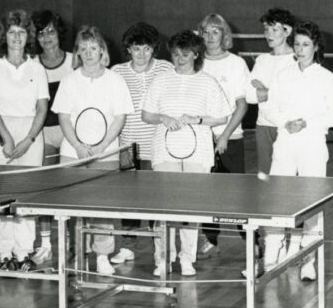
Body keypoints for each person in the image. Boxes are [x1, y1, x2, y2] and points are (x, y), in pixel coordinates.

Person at [142, 30, 231, 277]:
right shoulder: (160, 81)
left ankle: (187, 259)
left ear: (195, 54)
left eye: (185, 54)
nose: (180, 58)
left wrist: (197, 119)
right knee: (163, 208)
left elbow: (222, 116)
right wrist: (163, 117)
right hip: (164, 152)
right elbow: (146, 115)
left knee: (190, 209)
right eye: (176, 54)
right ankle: (162, 259)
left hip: (198, 153)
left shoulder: (208, 82)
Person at [261, 21, 333, 281]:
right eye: (297, 44)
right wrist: (285, 121)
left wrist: (307, 122)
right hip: (285, 144)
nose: (300, 49)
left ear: (316, 47)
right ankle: (271, 258)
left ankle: (308, 260)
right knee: (278, 200)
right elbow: (270, 108)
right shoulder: (283, 75)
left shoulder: (326, 78)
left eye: (306, 44)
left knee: (311, 203)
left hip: (312, 146)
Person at [52, 26, 133, 276]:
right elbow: (64, 118)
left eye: (93, 48)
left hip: (105, 152)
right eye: (83, 48)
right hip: (72, 152)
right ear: (77, 52)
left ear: (102, 51)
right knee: (70, 207)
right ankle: (74, 253)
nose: (88, 53)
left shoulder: (115, 79)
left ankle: (101, 255)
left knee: (102, 207)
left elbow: (119, 118)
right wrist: (77, 145)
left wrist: (100, 148)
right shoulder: (69, 80)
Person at [0, 9, 48, 271]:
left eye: (22, 32)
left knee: (26, 196)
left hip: (31, 135)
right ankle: (4, 251)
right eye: (12, 32)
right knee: (2, 198)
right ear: (4, 36)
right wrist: (6, 140)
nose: (17, 37)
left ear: (28, 36)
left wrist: (28, 140)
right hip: (0, 134)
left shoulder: (37, 68)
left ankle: (23, 253)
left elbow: (42, 109)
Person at [110, 22, 173, 264]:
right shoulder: (117, 72)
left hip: (157, 146)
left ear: (154, 49)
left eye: (147, 49)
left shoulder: (165, 68)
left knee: (157, 199)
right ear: (129, 49)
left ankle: (160, 248)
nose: (142, 54)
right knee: (130, 199)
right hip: (127, 146)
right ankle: (127, 246)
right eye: (137, 49)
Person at [243, 8, 298, 270]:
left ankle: (294, 247)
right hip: (264, 128)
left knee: (290, 187)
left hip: (288, 131)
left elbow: (289, 98)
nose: (268, 34)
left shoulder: (297, 59)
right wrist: (266, 92)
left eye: (274, 28)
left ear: (287, 31)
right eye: (266, 29)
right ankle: (270, 250)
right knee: (267, 187)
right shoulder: (262, 60)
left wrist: (267, 91)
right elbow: (252, 96)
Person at [196, 14, 250, 260]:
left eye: (215, 32)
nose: (210, 37)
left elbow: (242, 106)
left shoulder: (236, 63)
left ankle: (253, 244)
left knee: (238, 197)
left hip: (231, 138)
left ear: (224, 35)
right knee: (207, 195)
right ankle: (210, 240)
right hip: (200, 140)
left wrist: (225, 136)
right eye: (205, 32)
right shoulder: (196, 62)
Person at [31, 9, 74, 264]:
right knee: (44, 191)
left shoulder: (73, 61)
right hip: (43, 134)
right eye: (40, 33)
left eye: (50, 31)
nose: (46, 37)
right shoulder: (32, 65)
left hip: (69, 133)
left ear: (59, 33)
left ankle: (69, 241)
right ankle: (45, 243)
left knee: (69, 191)